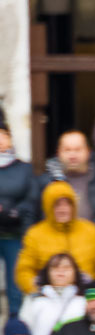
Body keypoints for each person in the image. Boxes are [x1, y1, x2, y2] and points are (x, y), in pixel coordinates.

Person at [17, 184, 95, 295]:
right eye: (56, 205)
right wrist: (36, 292)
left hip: (85, 297)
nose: (62, 209)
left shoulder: (91, 231)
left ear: (74, 206)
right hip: (47, 297)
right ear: (48, 207)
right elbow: (24, 270)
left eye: (67, 204)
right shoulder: (35, 234)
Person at [41, 132, 95, 250]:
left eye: (78, 150)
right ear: (58, 153)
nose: (72, 155)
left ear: (88, 152)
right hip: (56, 254)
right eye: (67, 150)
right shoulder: (46, 184)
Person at [0, 122, 35, 316]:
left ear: (10, 138)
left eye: (3, 135)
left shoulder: (24, 169)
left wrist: (12, 211)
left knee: (16, 287)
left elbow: (31, 200)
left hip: (15, 235)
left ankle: (15, 324)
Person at [19, 254, 86, 335]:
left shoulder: (84, 301)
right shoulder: (34, 300)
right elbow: (23, 329)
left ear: (75, 273)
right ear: (47, 273)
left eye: (66, 267)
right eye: (55, 267)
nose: (60, 271)